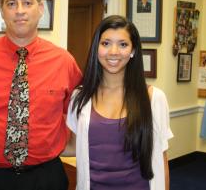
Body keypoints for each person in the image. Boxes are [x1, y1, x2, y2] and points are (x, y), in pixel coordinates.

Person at [0, 0, 82, 190]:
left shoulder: (64, 61)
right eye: (11, 3)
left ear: (41, 8)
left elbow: (79, 111)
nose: (20, 10)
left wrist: (70, 145)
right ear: (1, 10)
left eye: (27, 2)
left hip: (48, 177)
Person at [65, 15, 173, 190]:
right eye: (106, 43)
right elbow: (73, 147)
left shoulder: (154, 98)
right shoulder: (80, 97)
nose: (113, 51)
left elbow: (162, 158)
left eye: (123, 44)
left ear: (133, 51)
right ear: (96, 49)